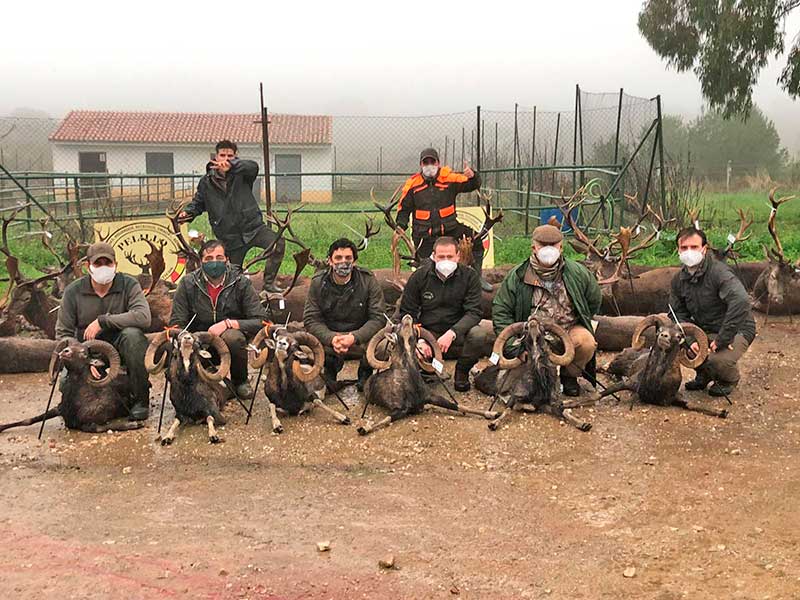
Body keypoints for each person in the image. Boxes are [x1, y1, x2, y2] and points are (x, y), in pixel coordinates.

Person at [492, 224, 602, 397]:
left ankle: (569, 377)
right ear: (534, 247)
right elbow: (501, 312)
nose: (548, 250)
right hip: (531, 335)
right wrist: (517, 349)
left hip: (567, 330)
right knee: (513, 385)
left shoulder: (578, 273)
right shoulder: (517, 276)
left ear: (561, 247)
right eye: (543, 245)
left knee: (586, 342)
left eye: (554, 245)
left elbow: (594, 299)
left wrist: (578, 320)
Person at [56, 242, 152, 420]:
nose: (103, 268)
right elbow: (63, 333)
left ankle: (141, 400)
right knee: (64, 384)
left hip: (121, 346)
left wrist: (104, 321)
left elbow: (143, 317)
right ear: (88, 266)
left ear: (115, 264)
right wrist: (84, 359)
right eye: (98, 263)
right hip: (86, 350)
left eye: (107, 263)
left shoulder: (129, 284)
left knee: (134, 336)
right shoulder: (73, 291)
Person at [178, 140, 285, 293]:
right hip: (230, 237)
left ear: (236, 157)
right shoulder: (206, 182)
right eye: (222, 155)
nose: (226, 159)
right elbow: (198, 203)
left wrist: (233, 166)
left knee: (278, 244)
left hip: (253, 228)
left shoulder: (243, 174)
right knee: (232, 277)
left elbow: (253, 166)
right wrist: (187, 213)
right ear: (216, 157)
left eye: (230, 156)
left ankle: (268, 284)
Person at [169, 239, 267, 399]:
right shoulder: (187, 283)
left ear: (227, 260)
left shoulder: (240, 282)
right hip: (197, 343)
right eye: (208, 259)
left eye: (219, 258)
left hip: (229, 344)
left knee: (233, 337)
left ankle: (240, 381)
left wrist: (229, 324)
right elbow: (175, 323)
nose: (214, 262)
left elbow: (261, 320)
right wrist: (186, 338)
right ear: (201, 261)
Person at [398, 236, 495, 392]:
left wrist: (453, 332)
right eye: (441, 257)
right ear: (433, 256)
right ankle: (426, 370)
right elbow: (407, 312)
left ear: (458, 256)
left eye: (450, 256)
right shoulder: (419, 277)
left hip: (458, 332)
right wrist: (418, 338)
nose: (445, 260)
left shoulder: (470, 277)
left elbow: (474, 312)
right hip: (427, 332)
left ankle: (462, 372)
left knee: (478, 333)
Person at [669, 226, 756, 397]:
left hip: (737, 328)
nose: (689, 252)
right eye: (684, 248)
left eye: (694, 247)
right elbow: (676, 313)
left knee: (718, 361)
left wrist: (724, 338)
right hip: (704, 328)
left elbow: (741, 301)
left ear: (704, 248)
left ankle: (728, 379)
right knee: (680, 345)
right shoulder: (678, 280)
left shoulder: (719, 272)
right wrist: (690, 338)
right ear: (677, 250)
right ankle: (704, 374)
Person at [396, 147, 492, 291]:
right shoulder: (412, 186)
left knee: (477, 241)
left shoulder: (449, 179)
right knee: (427, 269)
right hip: (424, 236)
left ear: (438, 163)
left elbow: (473, 184)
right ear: (421, 165)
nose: (429, 165)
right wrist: (400, 227)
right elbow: (403, 209)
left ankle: (477, 277)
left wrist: (473, 176)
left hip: (451, 229)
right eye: (425, 162)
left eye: (432, 161)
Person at [303, 238, 385, 392]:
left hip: (360, 339)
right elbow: (311, 319)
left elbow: (378, 318)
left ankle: (365, 373)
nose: (343, 262)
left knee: (385, 346)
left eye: (348, 258)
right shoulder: (317, 283)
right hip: (330, 340)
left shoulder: (368, 280)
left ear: (354, 261)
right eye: (338, 258)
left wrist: (354, 337)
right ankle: (329, 370)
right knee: (300, 346)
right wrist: (332, 338)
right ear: (330, 261)